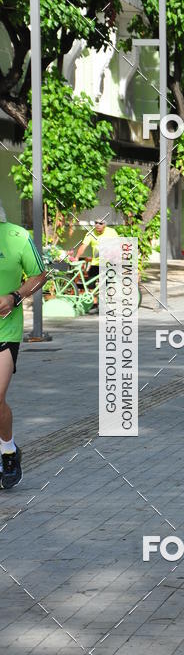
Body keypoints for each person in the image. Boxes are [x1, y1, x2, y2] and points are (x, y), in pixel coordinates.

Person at [0, 209, 47, 488]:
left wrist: (15, 296)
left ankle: (7, 452)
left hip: (5, 330)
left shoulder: (16, 236)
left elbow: (39, 275)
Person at [75, 218, 119, 309]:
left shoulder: (111, 232)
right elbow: (83, 246)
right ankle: (92, 303)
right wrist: (76, 257)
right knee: (90, 285)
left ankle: (105, 305)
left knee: (106, 285)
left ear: (105, 225)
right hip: (96, 263)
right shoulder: (91, 233)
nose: (98, 225)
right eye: (96, 223)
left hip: (108, 263)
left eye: (101, 223)